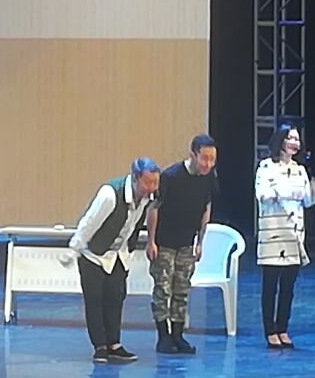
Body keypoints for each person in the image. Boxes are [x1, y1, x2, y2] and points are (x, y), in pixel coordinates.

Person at [66, 158, 161, 363]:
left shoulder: (147, 198)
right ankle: (100, 347)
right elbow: (89, 222)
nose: (152, 188)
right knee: (95, 301)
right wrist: (74, 248)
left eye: (155, 182)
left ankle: (114, 344)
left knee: (115, 298)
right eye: (148, 183)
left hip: (118, 254)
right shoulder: (110, 194)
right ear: (135, 179)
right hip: (93, 255)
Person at [147, 134, 221, 354]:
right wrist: (151, 241)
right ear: (193, 155)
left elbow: (206, 208)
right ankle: (163, 336)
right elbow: (154, 209)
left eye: (212, 159)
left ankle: (178, 335)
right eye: (204, 158)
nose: (208, 164)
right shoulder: (170, 176)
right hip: (164, 242)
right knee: (163, 289)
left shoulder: (209, 177)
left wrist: (200, 241)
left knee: (182, 289)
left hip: (187, 242)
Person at [255, 124, 315, 348]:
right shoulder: (266, 167)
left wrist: (311, 186)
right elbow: (263, 194)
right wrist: (289, 192)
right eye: (290, 138)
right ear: (281, 140)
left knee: (288, 288)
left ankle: (283, 328)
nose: (295, 143)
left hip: (294, 234)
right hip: (273, 233)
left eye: (297, 139)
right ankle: (270, 330)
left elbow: (307, 200)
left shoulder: (300, 170)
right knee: (270, 286)